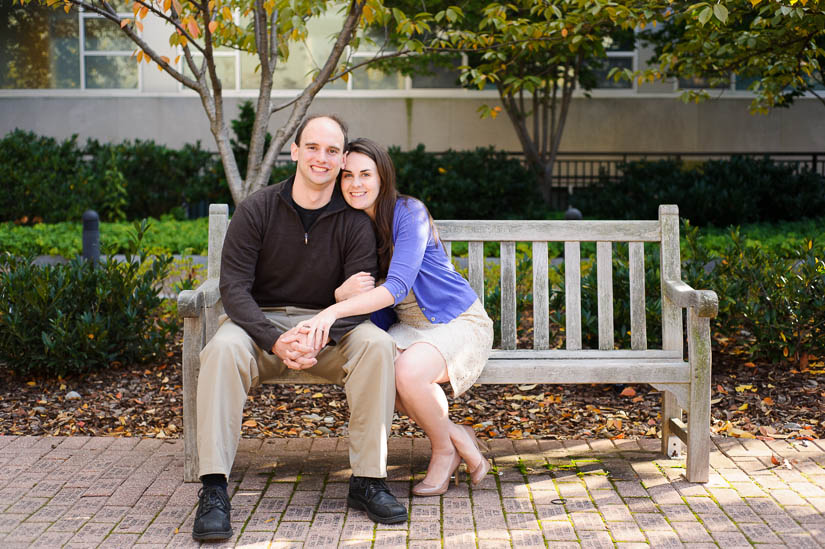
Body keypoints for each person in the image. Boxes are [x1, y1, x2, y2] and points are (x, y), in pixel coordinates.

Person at [192, 116, 406, 541]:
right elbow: (233, 288)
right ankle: (213, 489)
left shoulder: (354, 220)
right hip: (259, 324)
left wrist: (316, 332)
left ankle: (368, 480)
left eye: (332, 151)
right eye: (312, 147)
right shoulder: (257, 209)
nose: (321, 158)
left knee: (378, 346)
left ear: (342, 157)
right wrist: (275, 338)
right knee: (220, 349)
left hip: (328, 328)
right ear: (294, 151)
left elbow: (359, 297)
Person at [301, 137, 494, 497]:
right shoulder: (352, 225)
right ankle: (457, 435)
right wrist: (339, 294)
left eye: (365, 174)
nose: (356, 184)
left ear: (382, 177)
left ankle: (443, 450)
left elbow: (397, 286)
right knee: (376, 367)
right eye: (347, 176)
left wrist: (335, 309)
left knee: (406, 372)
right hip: (407, 329)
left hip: (457, 322)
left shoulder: (409, 212)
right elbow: (341, 285)